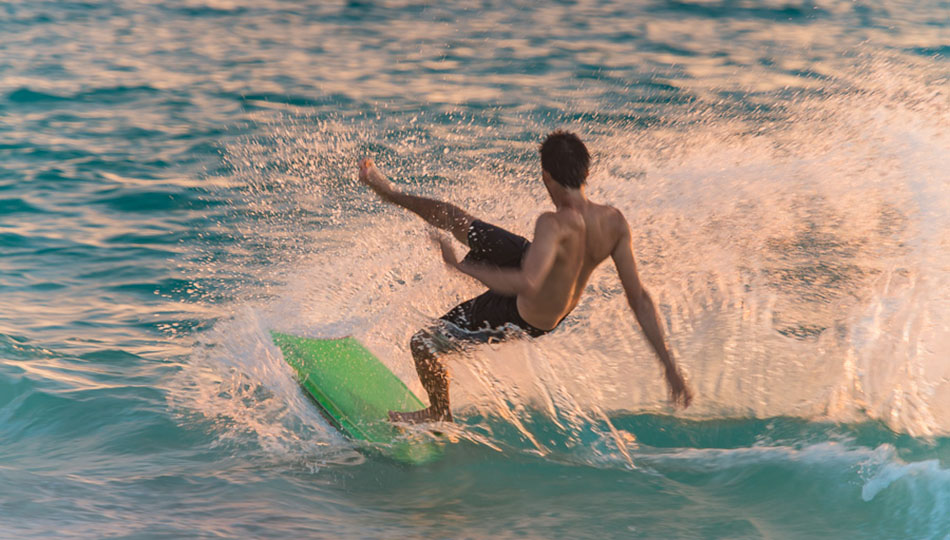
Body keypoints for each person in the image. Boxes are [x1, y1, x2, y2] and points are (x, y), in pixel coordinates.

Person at [358, 130, 692, 423]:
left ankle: (438, 414)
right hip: (539, 265)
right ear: (586, 172)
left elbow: (527, 284)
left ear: (546, 176)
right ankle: (389, 192)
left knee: (423, 343)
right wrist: (670, 365)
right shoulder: (614, 222)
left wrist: (461, 267)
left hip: (522, 314)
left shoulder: (553, 222)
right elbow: (640, 299)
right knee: (460, 221)